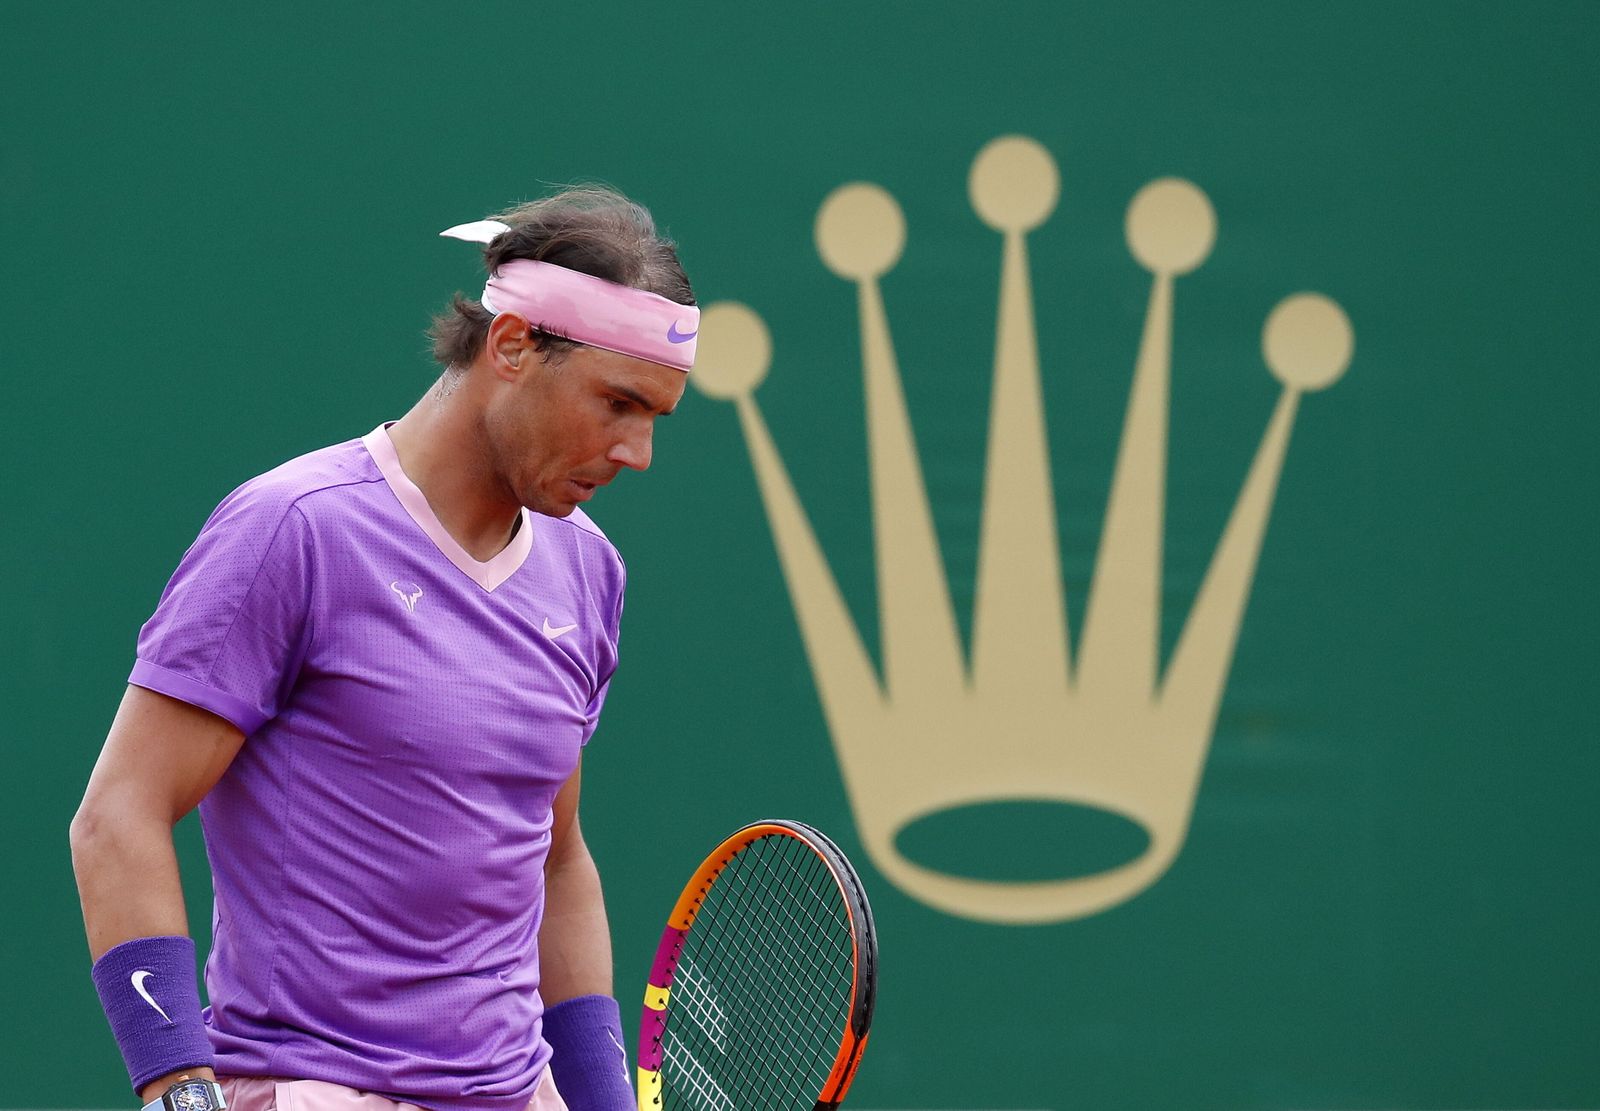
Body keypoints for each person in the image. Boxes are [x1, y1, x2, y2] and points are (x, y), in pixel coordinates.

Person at [69, 186, 698, 1111]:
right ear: (513, 344)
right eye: (617, 403)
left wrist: (599, 1099)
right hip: (317, 1087)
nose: (636, 451)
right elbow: (117, 815)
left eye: (656, 418)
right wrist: (178, 1088)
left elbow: (554, 857)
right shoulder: (293, 530)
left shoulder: (589, 573)